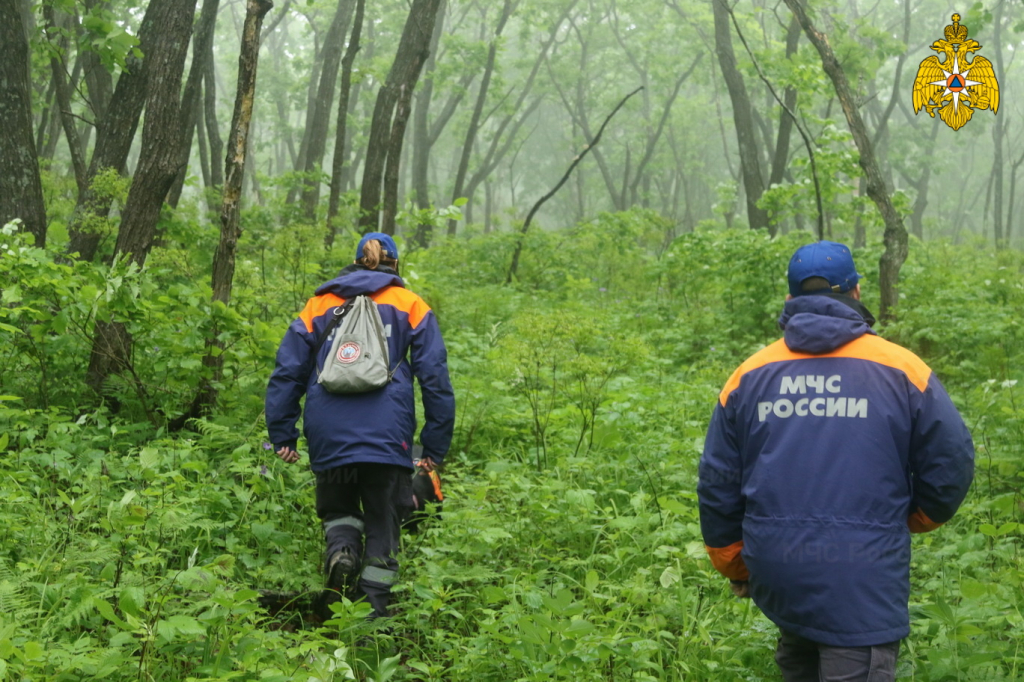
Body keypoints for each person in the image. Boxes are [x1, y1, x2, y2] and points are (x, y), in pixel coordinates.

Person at [697, 240, 974, 681]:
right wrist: (917, 518)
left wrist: (734, 561)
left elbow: (718, 479)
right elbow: (952, 459)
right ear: (857, 292)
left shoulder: (749, 374)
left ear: (790, 298)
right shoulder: (902, 368)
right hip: (863, 580)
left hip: (780, 572)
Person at [265, 232, 455, 618]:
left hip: (329, 432)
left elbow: (287, 371)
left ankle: (342, 553)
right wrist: (434, 445)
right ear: (394, 265)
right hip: (388, 437)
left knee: (339, 509)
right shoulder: (410, 304)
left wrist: (283, 434)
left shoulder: (319, 305)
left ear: (355, 262)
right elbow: (434, 377)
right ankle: (373, 613)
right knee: (384, 521)